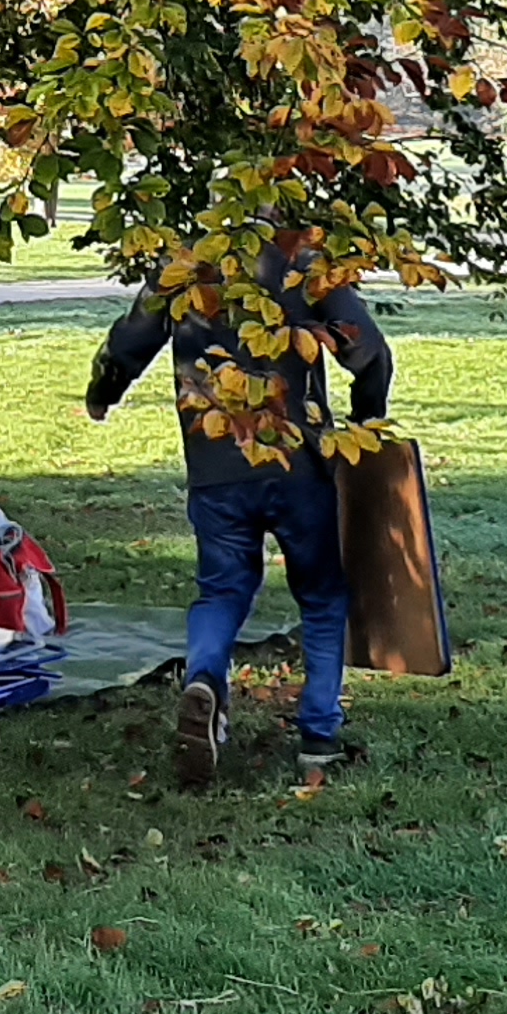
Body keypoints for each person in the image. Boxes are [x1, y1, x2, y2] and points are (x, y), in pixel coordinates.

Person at [87, 234, 393, 789]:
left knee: (221, 591)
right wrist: (368, 420)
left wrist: (103, 390)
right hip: (300, 465)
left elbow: (131, 337)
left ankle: (204, 683)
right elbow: (367, 348)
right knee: (323, 595)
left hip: (216, 463)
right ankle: (320, 739)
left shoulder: (186, 260)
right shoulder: (304, 258)